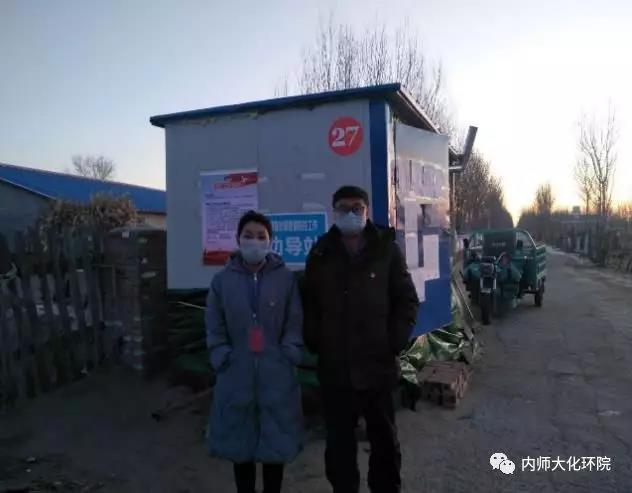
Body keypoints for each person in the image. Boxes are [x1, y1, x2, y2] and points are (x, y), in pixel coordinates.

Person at [302, 185, 420, 493]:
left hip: (377, 367)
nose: (351, 213)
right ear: (334, 212)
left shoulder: (386, 250)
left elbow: (406, 300)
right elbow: (309, 303)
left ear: (367, 211)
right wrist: (315, 340)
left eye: (357, 208)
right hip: (335, 370)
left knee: (384, 442)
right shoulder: (321, 253)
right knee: (339, 447)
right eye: (344, 208)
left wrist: (394, 341)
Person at [205, 210, 304, 493]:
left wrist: (289, 353)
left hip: (276, 373)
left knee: (275, 445)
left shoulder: (285, 279)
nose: (254, 241)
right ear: (238, 239)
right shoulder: (222, 281)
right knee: (241, 448)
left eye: (261, 236)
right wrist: (222, 356)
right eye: (248, 235)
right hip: (237, 372)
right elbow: (214, 325)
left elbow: (294, 321)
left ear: (270, 241)